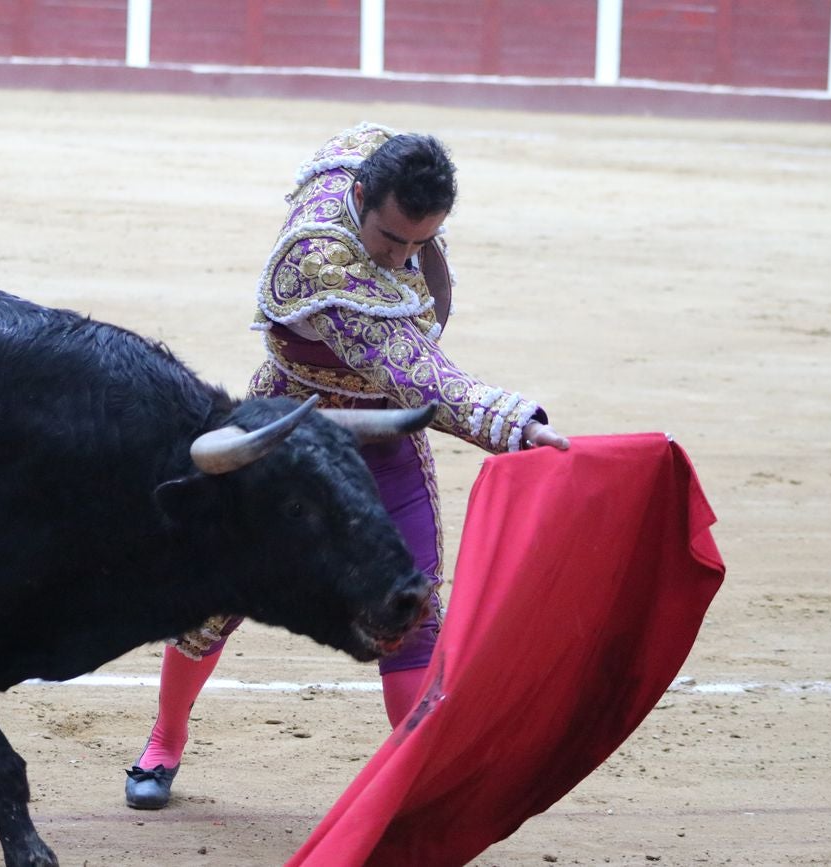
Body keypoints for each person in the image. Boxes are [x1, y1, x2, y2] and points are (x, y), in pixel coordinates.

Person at [124, 122, 569, 809]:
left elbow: (363, 139)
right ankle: (165, 737)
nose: (403, 258)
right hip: (290, 434)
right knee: (213, 593)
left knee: (409, 607)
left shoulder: (370, 175)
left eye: (421, 242)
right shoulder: (321, 263)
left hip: (386, 438)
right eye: (391, 239)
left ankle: (416, 785)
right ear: (359, 197)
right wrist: (514, 423)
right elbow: (420, 376)